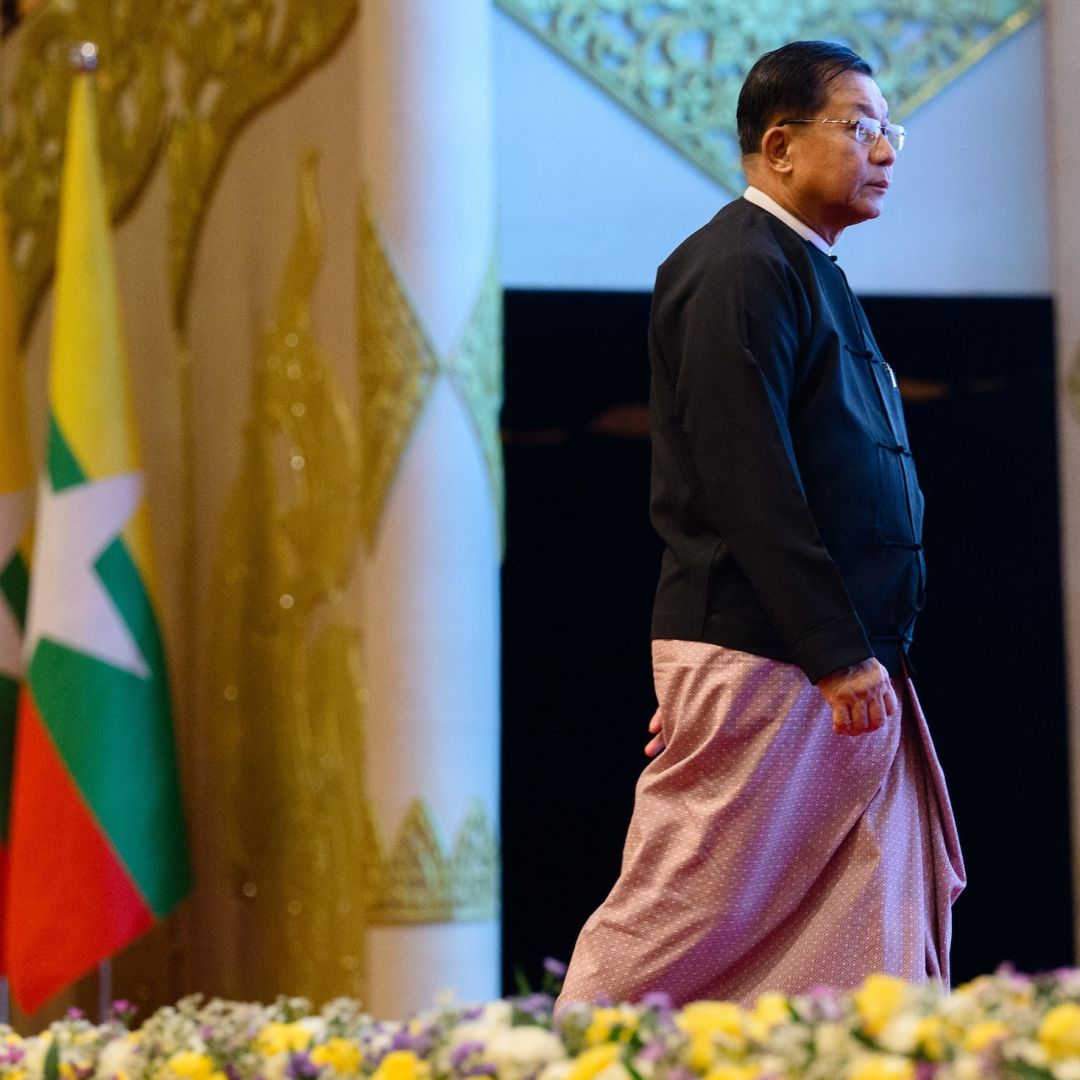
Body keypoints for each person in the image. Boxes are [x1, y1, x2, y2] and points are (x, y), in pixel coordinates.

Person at [557, 40, 965, 1009]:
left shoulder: (803, 264)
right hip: (785, 656)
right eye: (862, 127)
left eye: (889, 130)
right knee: (687, 908)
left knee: (856, 918)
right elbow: (746, 474)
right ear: (779, 147)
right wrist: (831, 651)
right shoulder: (737, 264)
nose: (888, 151)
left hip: (830, 661)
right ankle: (545, 1063)